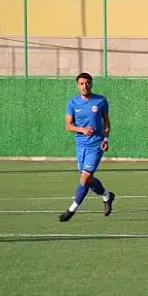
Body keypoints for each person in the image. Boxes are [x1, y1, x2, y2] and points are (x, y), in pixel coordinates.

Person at [59, 72, 116, 222]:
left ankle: (71, 210)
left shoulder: (100, 101)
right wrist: (82, 130)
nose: (85, 86)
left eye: (87, 83)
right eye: (82, 84)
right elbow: (68, 126)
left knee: (84, 178)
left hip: (96, 144)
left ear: (91, 84)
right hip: (80, 145)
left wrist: (106, 138)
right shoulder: (72, 103)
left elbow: (107, 123)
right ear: (78, 85)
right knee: (88, 179)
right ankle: (107, 196)